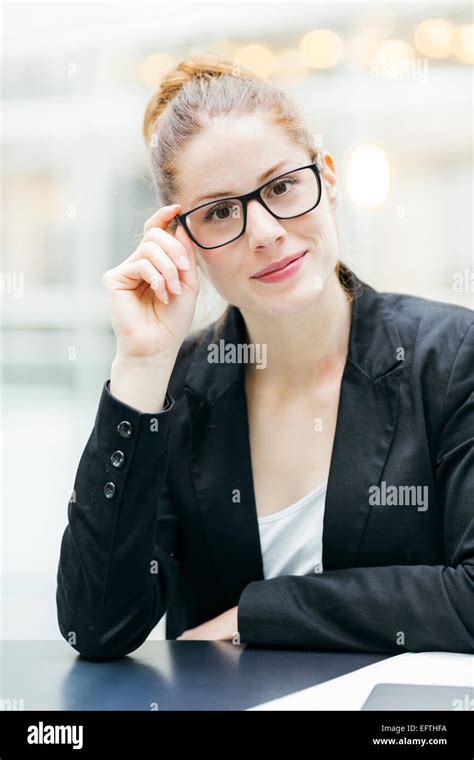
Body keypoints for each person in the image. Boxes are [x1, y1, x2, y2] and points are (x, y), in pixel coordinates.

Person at [56, 53, 473, 661]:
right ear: (184, 242)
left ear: (327, 181)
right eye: (220, 211)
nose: (265, 231)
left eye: (281, 187)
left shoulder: (452, 357)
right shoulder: (176, 390)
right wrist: (142, 365)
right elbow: (95, 629)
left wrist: (258, 614)